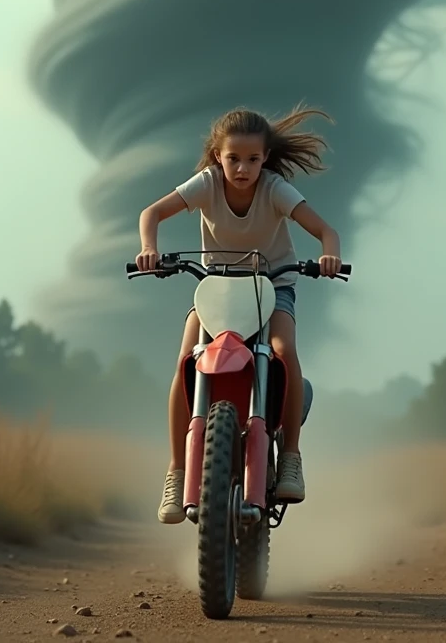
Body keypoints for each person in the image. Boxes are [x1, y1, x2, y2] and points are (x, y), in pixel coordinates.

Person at [135, 105, 342, 525]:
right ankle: (177, 471)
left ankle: (291, 459)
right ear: (217, 156)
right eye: (233, 159)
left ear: (265, 158)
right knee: (185, 362)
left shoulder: (275, 189)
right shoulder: (207, 185)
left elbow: (326, 231)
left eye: (252, 159)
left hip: (273, 285)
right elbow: (151, 213)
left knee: (282, 350)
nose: (243, 168)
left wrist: (329, 256)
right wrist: (149, 249)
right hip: (218, 287)